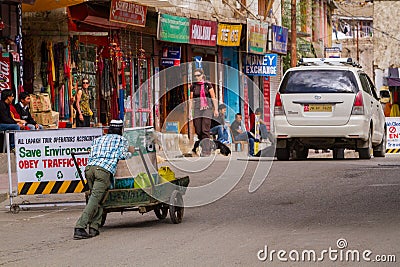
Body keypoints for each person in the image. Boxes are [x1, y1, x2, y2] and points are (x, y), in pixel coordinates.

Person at [74, 120, 135, 239]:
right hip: (103, 171)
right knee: (94, 199)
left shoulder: (98, 139)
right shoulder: (121, 140)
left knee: (99, 199)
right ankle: (80, 227)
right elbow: (122, 156)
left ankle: (94, 227)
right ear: (121, 130)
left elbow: (91, 153)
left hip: (89, 169)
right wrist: (130, 151)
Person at [188, 68, 218, 156]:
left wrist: (215, 109)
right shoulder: (193, 86)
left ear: (202, 76)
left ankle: (206, 151)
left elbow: (213, 97)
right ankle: (203, 147)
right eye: (195, 76)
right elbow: (191, 99)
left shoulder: (208, 85)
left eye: (198, 75)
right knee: (198, 129)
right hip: (197, 109)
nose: (197, 77)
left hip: (207, 108)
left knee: (205, 129)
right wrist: (190, 112)